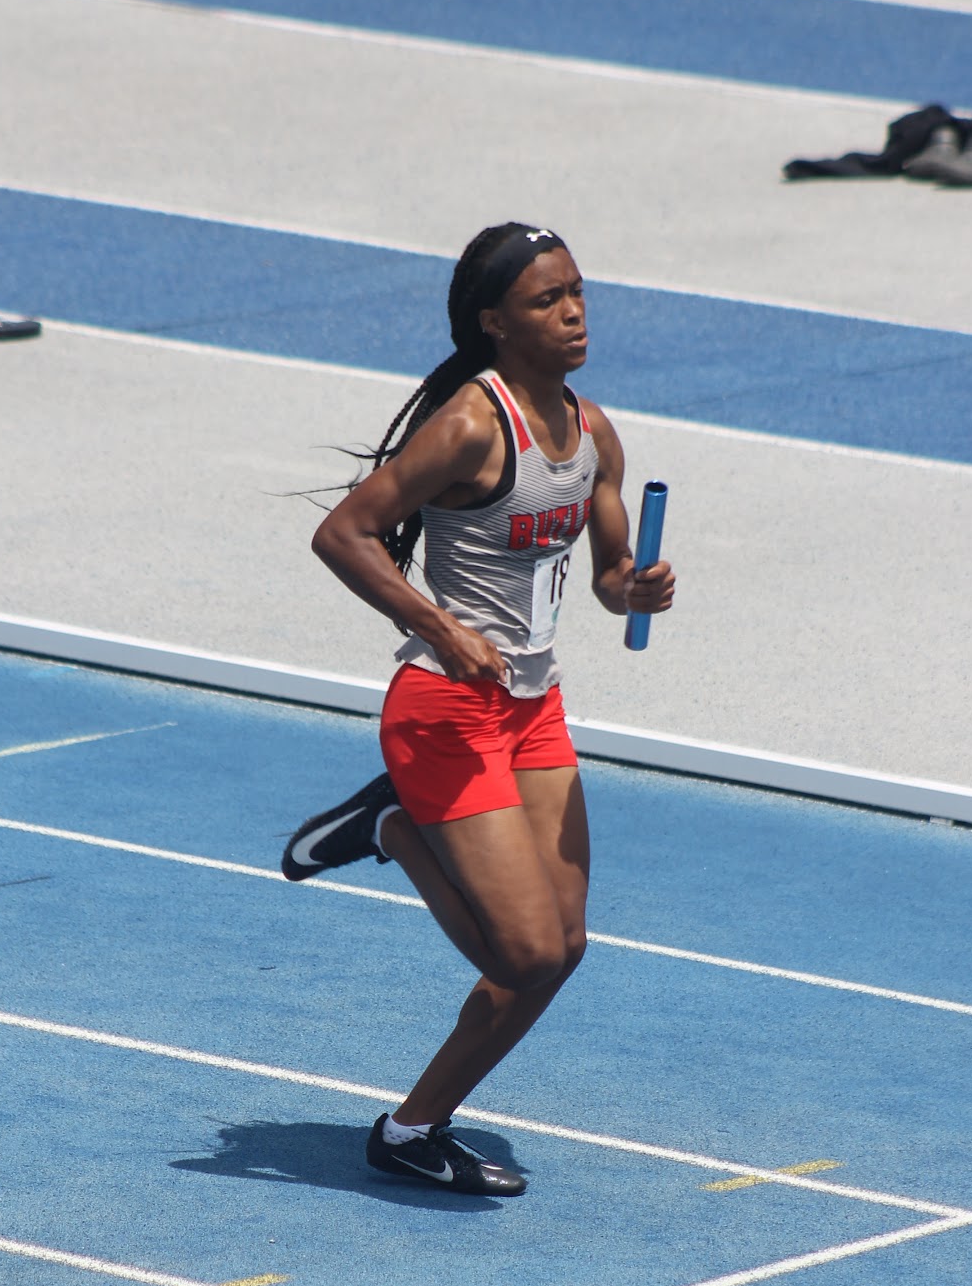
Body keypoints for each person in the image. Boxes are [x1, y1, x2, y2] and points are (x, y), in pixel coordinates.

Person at [280, 224, 676, 1198]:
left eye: (579, 291)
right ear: (495, 323)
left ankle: (415, 1121)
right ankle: (409, 1125)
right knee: (524, 951)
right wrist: (440, 625)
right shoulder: (468, 425)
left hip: (531, 707)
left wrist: (632, 589)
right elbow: (344, 533)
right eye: (548, 300)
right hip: (444, 707)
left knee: (563, 946)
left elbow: (606, 574)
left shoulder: (595, 434)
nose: (574, 310)